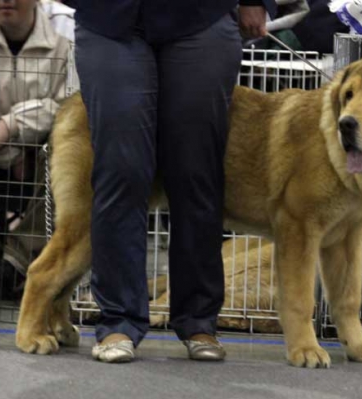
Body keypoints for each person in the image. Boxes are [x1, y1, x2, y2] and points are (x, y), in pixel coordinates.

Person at [73, 0, 276, 363]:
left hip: (202, 16)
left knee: (198, 170)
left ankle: (199, 319)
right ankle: (119, 319)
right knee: (121, 168)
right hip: (108, 18)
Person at [0, 0, 77, 297]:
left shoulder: (67, 27)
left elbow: (72, 103)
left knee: (67, 150)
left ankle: (20, 263)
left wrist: (12, 127)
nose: (5, 1)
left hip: (39, 146)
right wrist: (5, 148)